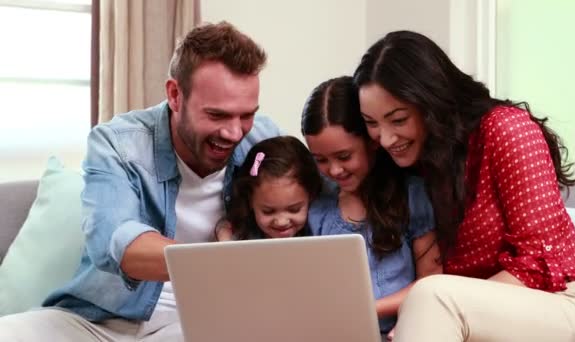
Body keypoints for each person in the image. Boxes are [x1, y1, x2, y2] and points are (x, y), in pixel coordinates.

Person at [0, 21, 280, 341]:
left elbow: (316, 202)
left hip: (194, 321)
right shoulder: (118, 144)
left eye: (246, 115)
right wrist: (220, 262)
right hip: (101, 318)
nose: (234, 132)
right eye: (217, 115)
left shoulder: (262, 145)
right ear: (175, 95)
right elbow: (117, 242)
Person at [353, 30, 575, 342]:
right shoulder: (424, 164)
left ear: (431, 102)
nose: (386, 139)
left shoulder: (507, 129)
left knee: (431, 298)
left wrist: (425, 309)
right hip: (470, 314)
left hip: (559, 303)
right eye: (372, 123)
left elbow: (537, 265)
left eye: (398, 120)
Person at [302, 76, 442, 334]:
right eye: (320, 159)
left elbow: (431, 282)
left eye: (344, 156)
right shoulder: (317, 204)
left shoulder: (411, 195)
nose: (334, 170)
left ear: (373, 141)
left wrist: (368, 308)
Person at [215, 135, 323, 241]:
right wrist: (224, 236)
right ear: (250, 200)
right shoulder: (241, 234)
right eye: (268, 211)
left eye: (294, 210)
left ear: (311, 195)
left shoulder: (320, 229)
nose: (281, 222)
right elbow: (225, 226)